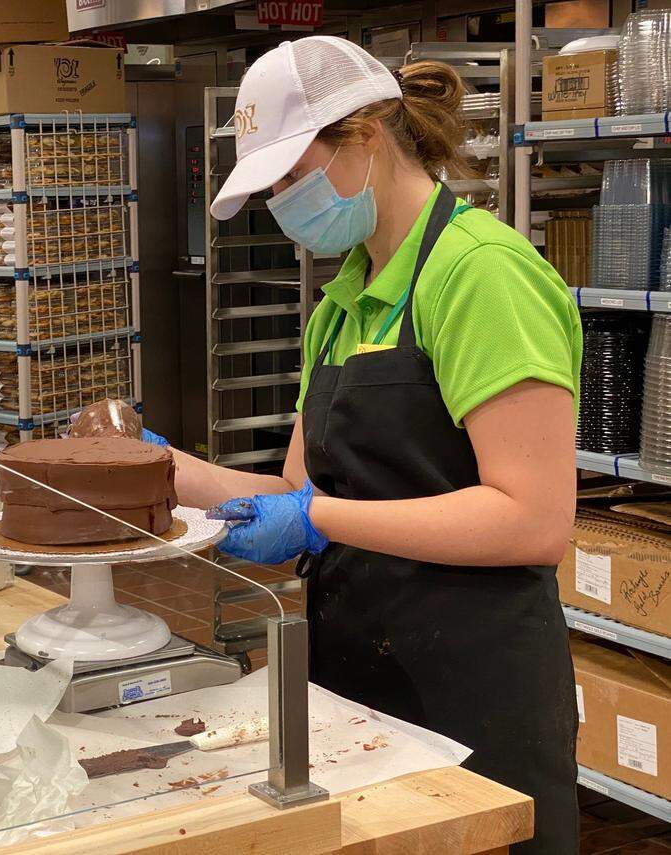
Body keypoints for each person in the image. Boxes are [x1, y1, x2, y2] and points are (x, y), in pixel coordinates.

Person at [151, 37, 582, 853]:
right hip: (358, 677)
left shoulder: (481, 275)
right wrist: (163, 471)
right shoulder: (341, 303)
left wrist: (322, 520)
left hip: (475, 691)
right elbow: (300, 493)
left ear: (365, 137)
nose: (280, 201)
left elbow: (532, 520)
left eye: (287, 175)